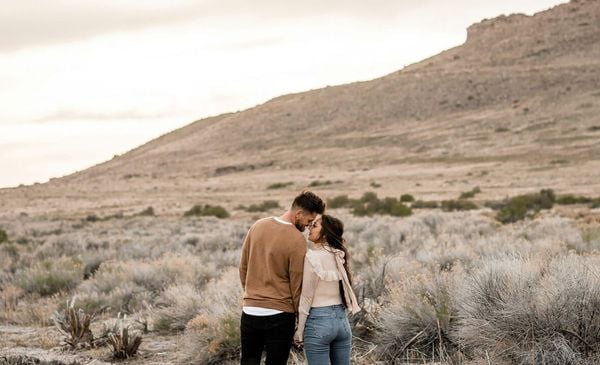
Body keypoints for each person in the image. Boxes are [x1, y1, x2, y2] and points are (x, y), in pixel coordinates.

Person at [239, 190, 326, 365]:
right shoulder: (297, 240)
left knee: (248, 360)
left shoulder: (258, 225)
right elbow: (296, 285)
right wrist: (296, 317)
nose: (309, 226)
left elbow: (243, 267)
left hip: (250, 311)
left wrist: (252, 295)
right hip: (280, 314)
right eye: (309, 221)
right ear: (299, 213)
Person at [293, 214, 360, 365]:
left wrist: (300, 330)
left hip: (319, 322)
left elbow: (306, 297)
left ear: (325, 234)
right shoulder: (339, 255)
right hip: (342, 323)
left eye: (315, 226)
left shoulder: (312, 258)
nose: (309, 228)